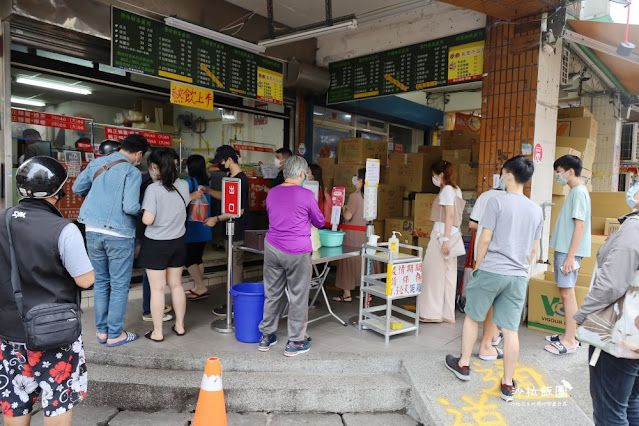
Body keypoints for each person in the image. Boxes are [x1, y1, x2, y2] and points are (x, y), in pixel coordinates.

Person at [0, 156, 94, 425]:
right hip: (53, 333)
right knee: (57, 399)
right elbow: (85, 280)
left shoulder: (2, 220)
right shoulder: (64, 229)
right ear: (59, 191)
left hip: (9, 331)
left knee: (15, 400)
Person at [445, 156, 543, 403]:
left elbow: (485, 239)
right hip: (518, 275)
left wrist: (478, 268)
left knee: (472, 318)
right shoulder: (535, 209)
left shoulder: (496, 202)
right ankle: (508, 384)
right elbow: (535, 250)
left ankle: (464, 364)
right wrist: (521, 270)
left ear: (508, 175)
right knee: (511, 330)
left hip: (492, 269)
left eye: (502, 172)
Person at [72, 133, 149, 347]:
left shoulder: (97, 163)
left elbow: (77, 188)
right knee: (119, 285)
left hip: (92, 230)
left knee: (101, 282)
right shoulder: (132, 172)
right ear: (139, 154)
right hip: (119, 233)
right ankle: (115, 334)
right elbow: (130, 207)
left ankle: (102, 332)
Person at [574, 207, 639, 425]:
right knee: (630, 401)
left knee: (609, 411)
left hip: (622, 334)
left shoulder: (634, 227)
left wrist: (582, 315)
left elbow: (611, 284)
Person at [258, 156, 325, 356]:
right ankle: (295, 342)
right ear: (302, 173)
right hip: (297, 251)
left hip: (272, 249)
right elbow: (319, 222)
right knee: (298, 296)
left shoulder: (272, 193)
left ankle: (266, 336)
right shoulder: (305, 195)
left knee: (272, 294)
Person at [138, 148, 192, 342]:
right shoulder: (184, 185)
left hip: (156, 244)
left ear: (154, 167)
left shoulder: (153, 189)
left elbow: (148, 220)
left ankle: (158, 332)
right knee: (177, 285)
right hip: (178, 242)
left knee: (157, 289)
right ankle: (179, 326)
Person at [545, 154, 592, 355]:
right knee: (566, 292)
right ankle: (568, 334)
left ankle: (570, 339)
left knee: (567, 293)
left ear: (569, 171)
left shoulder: (579, 192)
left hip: (568, 253)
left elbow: (579, 226)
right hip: (566, 251)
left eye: (559, 172)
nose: (558, 176)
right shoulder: (576, 191)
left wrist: (571, 257)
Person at [199, 145, 250, 318]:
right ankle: (232, 303)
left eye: (222, 161)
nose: (220, 164)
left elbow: (240, 210)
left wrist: (217, 218)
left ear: (230, 159)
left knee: (235, 270)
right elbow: (225, 196)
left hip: (237, 232)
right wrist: (207, 190)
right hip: (230, 230)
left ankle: (236, 306)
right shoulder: (232, 177)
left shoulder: (241, 180)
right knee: (231, 270)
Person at [420, 160, 466, 324]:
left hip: (442, 236)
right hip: (453, 236)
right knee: (448, 276)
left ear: (441, 175)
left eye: (434, 175)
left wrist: (445, 240)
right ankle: (447, 314)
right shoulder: (456, 189)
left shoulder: (446, 190)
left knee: (432, 274)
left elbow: (450, 215)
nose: (434, 178)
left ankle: (432, 313)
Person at [468, 182, 505, 360]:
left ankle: (467, 358)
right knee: (495, 301)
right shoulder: (513, 200)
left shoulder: (484, 197)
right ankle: (491, 338)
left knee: (480, 302)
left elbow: (473, 225)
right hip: (504, 259)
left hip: (482, 254)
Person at [136, 151, 174, 323]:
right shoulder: (146, 184)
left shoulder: (162, 184)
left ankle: (154, 303)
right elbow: (146, 216)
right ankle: (148, 310)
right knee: (149, 275)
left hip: (156, 235)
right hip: (148, 234)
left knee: (156, 277)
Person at [333, 168, 367, 302]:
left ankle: (347, 293)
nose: (355, 180)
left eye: (357, 177)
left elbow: (347, 216)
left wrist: (342, 209)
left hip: (352, 234)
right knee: (362, 261)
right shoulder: (370, 196)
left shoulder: (355, 196)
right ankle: (363, 292)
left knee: (348, 260)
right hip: (365, 233)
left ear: (362, 180)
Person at [184, 155, 213, 300]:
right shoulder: (206, 184)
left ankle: (201, 286)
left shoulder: (190, 182)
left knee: (188, 258)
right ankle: (198, 286)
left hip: (192, 227)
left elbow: (182, 199)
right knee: (197, 258)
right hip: (205, 226)